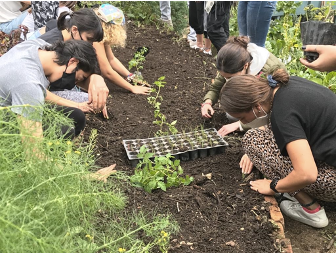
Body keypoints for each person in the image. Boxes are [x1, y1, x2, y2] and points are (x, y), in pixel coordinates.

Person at [219, 68, 336, 228]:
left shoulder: (283, 112)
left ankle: (311, 210)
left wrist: (274, 186)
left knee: (251, 140)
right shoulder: (285, 86)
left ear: (256, 106)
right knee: (256, 140)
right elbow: (283, 127)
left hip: (332, 181)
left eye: (242, 118)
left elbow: (307, 174)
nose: (244, 123)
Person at [0, 38, 116, 181]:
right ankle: (31, 172)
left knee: (76, 116)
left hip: (10, 107)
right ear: (73, 62)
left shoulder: (37, 46)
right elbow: (35, 158)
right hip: (5, 135)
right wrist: (89, 177)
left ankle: (56, 161)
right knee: (64, 128)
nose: (75, 83)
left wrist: (96, 78)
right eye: (79, 78)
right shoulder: (28, 85)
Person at [28, 8, 109, 118]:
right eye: (89, 39)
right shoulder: (50, 44)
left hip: (40, 90)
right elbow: (36, 89)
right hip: (34, 94)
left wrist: (96, 77)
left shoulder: (67, 38)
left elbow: (84, 69)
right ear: (75, 30)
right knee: (85, 100)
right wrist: (77, 105)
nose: (90, 45)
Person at [201, 36, 286, 136]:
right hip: (255, 105)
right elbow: (216, 88)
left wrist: (240, 125)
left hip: (270, 107)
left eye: (230, 77)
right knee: (231, 115)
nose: (227, 80)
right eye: (224, 77)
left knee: (236, 119)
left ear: (245, 66)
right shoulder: (229, 65)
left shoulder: (268, 70)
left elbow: (274, 108)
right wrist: (207, 102)